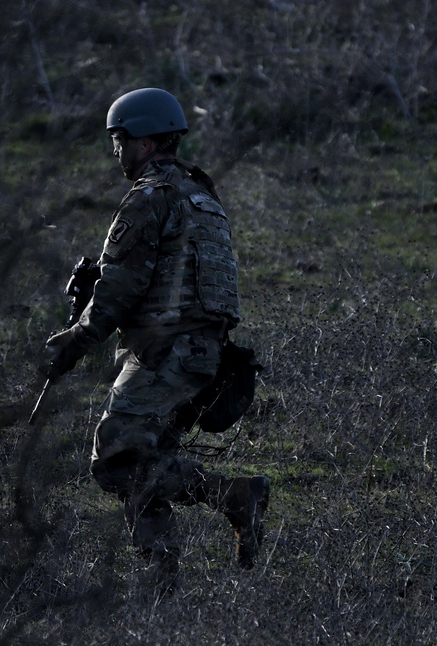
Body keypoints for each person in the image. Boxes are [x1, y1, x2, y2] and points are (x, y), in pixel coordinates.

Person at [44, 88, 270, 595]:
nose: (116, 151)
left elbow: (120, 292)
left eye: (119, 140)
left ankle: (234, 496)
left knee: (115, 456)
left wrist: (75, 341)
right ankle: (159, 580)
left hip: (168, 351)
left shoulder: (149, 197)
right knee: (145, 461)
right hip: (202, 353)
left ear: (144, 143)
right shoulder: (200, 194)